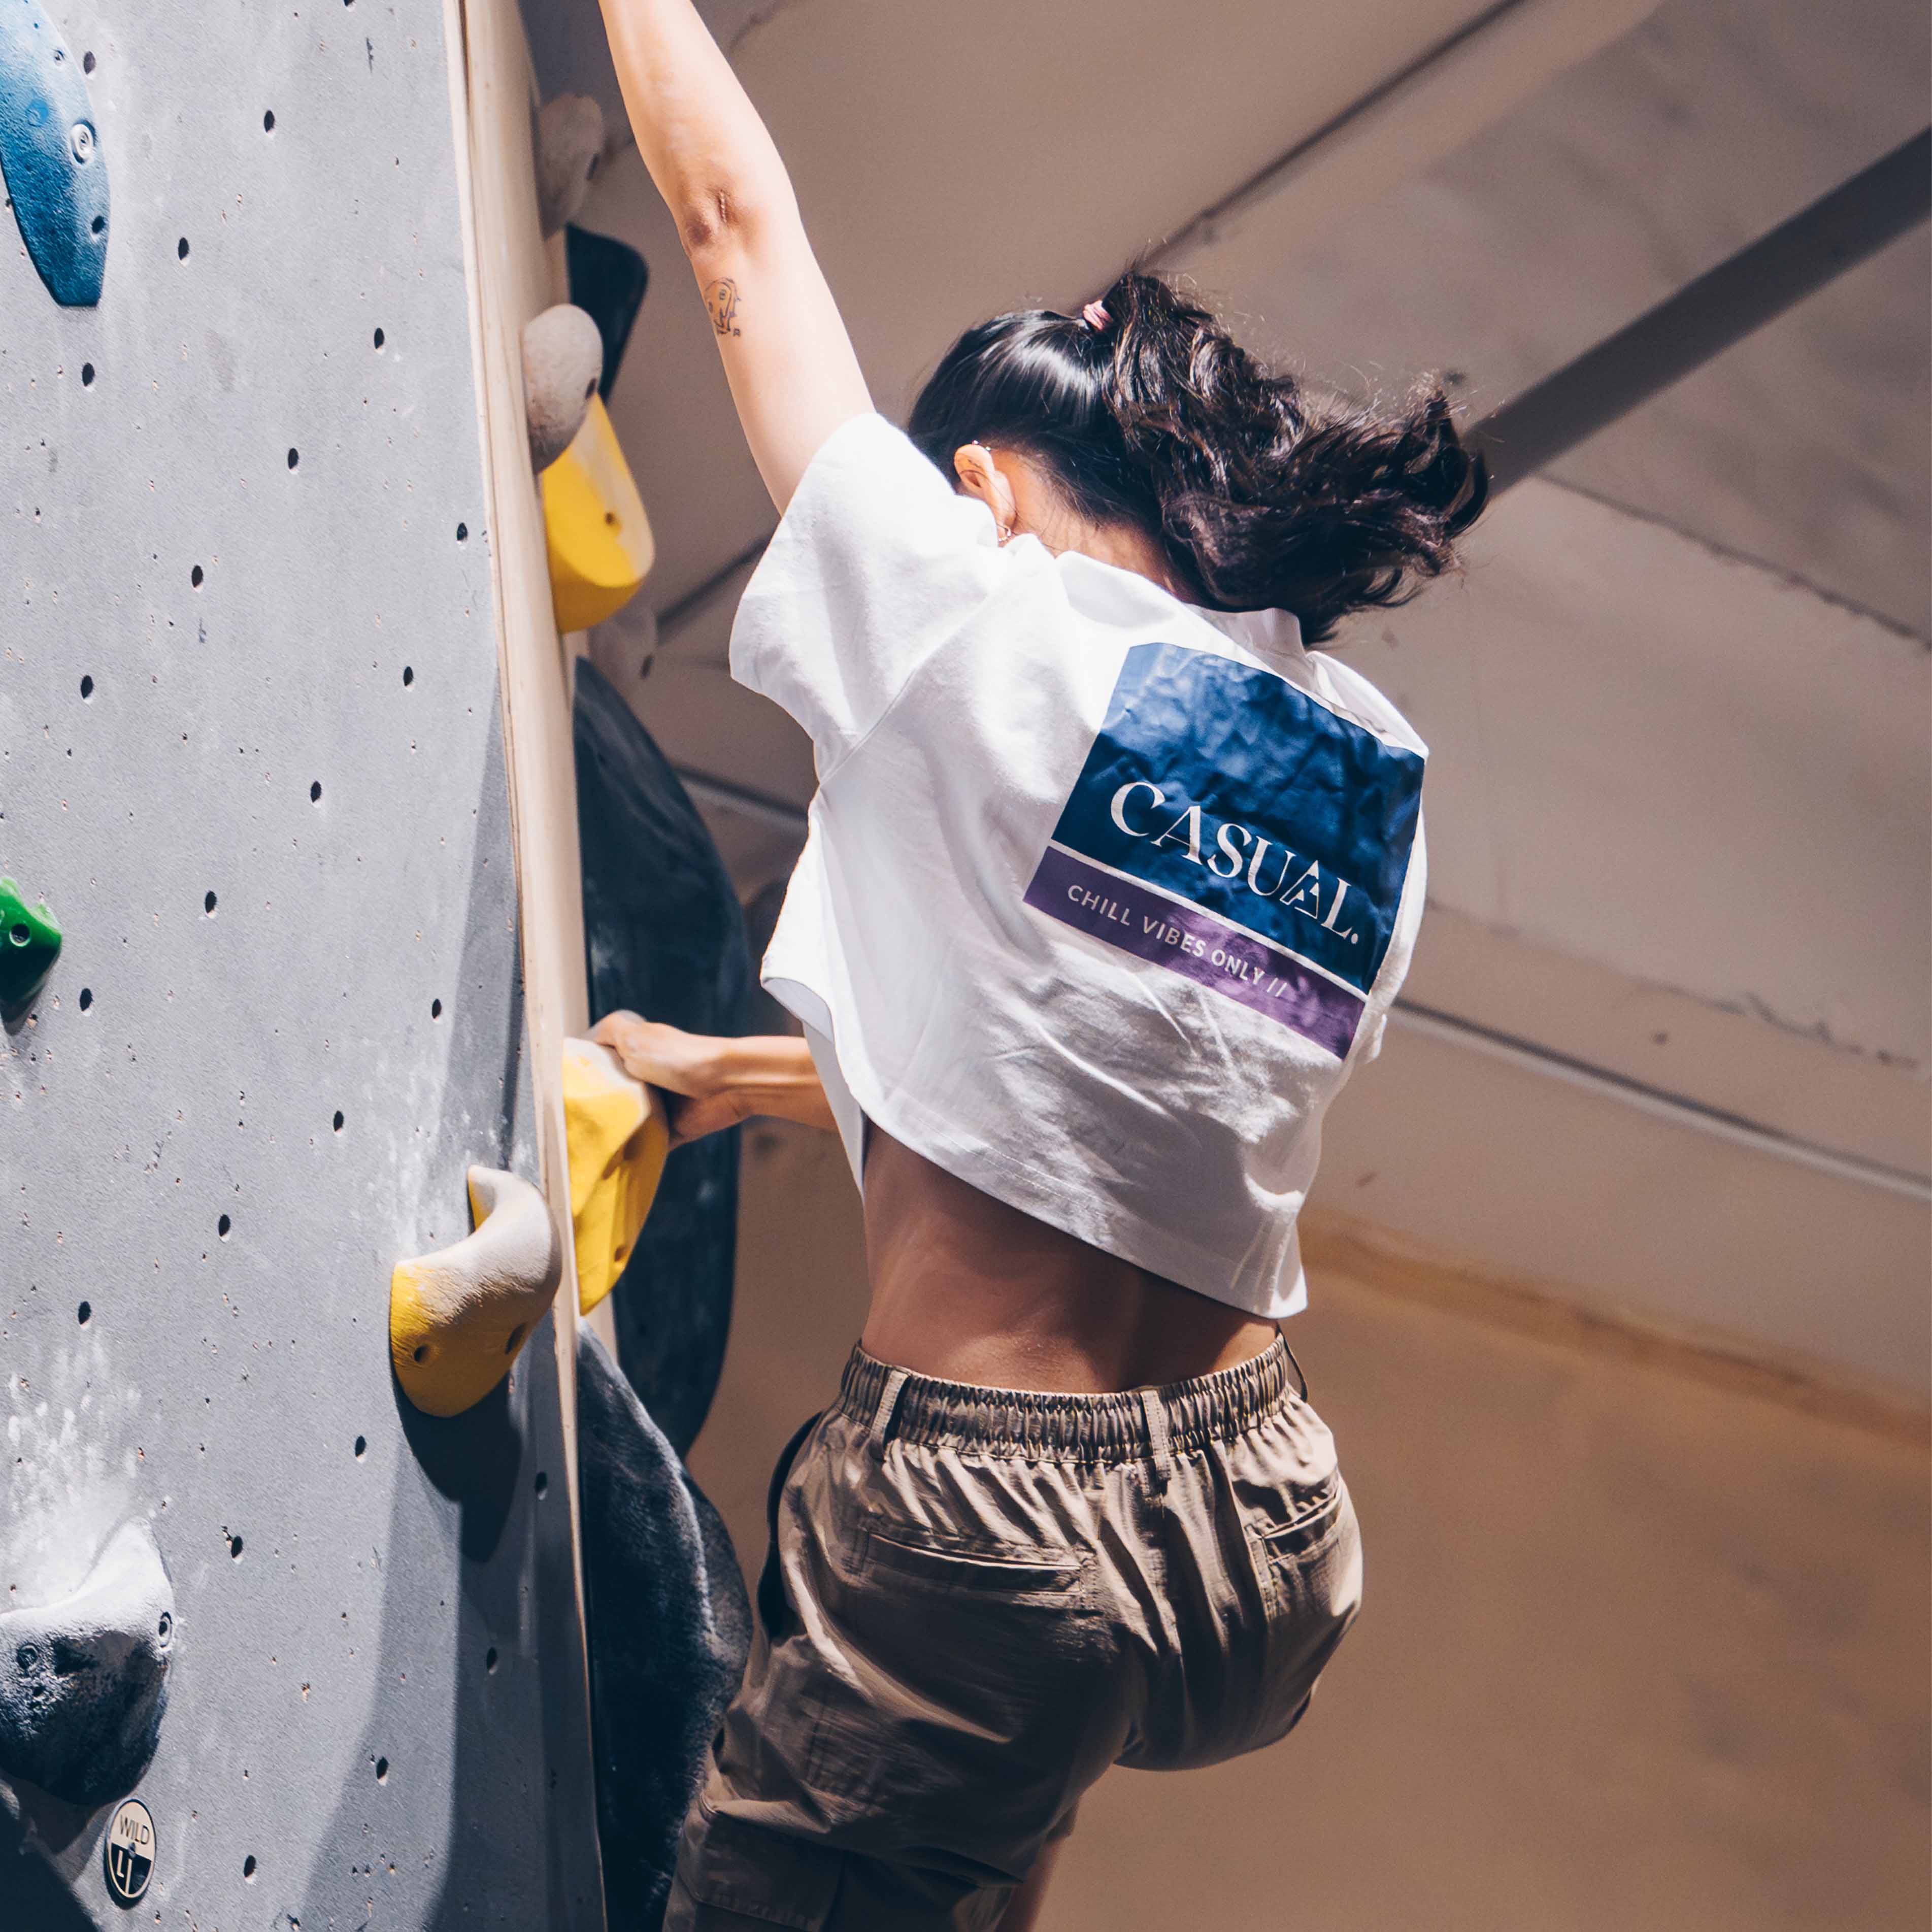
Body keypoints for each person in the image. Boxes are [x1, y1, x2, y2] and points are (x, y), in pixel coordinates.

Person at [592, 3, 1487, 1924]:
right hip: (1265, 1543)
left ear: (983, 485)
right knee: (1004, 1758)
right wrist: (736, 1071)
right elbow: (1099, 1082)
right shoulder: (1367, 774)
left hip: (992, 1530)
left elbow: (735, 228)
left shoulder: (971, 617)